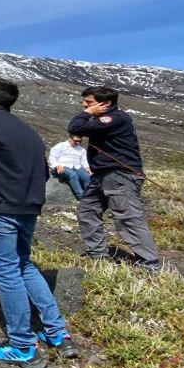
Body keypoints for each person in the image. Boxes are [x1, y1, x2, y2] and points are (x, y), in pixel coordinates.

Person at [0, 78, 79, 368]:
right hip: (26, 209)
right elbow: (43, 173)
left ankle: (22, 346)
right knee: (23, 265)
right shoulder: (29, 131)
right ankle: (58, 333)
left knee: (7, 273)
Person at [68, 86, 162, 271]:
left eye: (89, 102)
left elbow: (75, 127)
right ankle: (97, 254)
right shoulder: (101, 120)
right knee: (87, 211)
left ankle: (149, 264)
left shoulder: (114, 118)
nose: (84, 105)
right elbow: (76, 132)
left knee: (127, 217)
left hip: (120, 174)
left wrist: (86, 113)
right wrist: (88, 114)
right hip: (102, 174)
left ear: (106, 103)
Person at [48, 134, 92, 200]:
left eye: (80, 141)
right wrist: (57, 165)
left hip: (76, 167)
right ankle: (80, 196)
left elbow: (84, 162)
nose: (77, 143)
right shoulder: (60, 146)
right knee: (73, 175)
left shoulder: (81, 150)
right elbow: (52, 158)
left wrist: (88, 169)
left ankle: (89, 196)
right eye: (76, 141)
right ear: (70, 138)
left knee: (87, 177)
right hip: (62, 166)